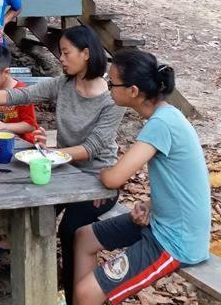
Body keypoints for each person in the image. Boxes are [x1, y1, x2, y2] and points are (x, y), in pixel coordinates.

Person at [0, 26, 123, 303]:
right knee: (31, 210)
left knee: (71, 230)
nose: (61, 59)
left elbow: (93, 149)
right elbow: (18, 96)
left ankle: (75, 294)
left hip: (97, 178)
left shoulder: (113, 100)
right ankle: (33, 278)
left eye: (66, 53)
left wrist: (53, 154)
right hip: (63, 168)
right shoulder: (63, 84)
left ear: (86, 54)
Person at [73, 51, 210, 305]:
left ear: (133, 91)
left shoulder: (161, 124)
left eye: (112, 83)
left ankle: (87, 296)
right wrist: (149, 204)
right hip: (161, 221)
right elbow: (181, 184)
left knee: (85, 292)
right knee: (84, 237)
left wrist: (100, 169)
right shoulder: (165, 116)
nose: (108, 86)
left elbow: (113, 178)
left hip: (176, 240)